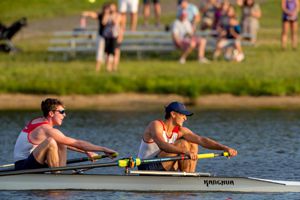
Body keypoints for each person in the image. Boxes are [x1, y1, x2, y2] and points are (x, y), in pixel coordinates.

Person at [13, 98, 117, 170]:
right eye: (62, 112)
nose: (65, 115)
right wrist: (104, 149)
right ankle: (58, 174)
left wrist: (87, 151)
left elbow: (69, 142)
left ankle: (59, 171)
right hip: (23, 166)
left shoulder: (38, 120)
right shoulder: (45, 129)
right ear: (51, 113)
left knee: (61, 142)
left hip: (31, 161)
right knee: (51, 141)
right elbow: (77, 142)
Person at [137, 101, 238, 172]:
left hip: (163, 164)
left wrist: (225, 148)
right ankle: (187, 179)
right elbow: (162, 145)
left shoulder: (181, 131)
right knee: (183, 144)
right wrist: (185, 151)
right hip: (147, 166)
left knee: (194, 142)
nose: (185, 118)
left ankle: (189, 176)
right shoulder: (156, 125)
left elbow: (202, 140)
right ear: (173, 114)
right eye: (183, 115)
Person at [81, 4, 110, 72]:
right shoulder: (101, 15)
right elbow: (93, 15)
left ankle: (108, 69)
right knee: (99, 53)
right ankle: (97, 69)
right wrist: (87, 13)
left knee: (108, 54)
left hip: (109, 38)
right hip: (101, 37)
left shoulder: (113, 16)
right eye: (105, 9)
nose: (106, 10)